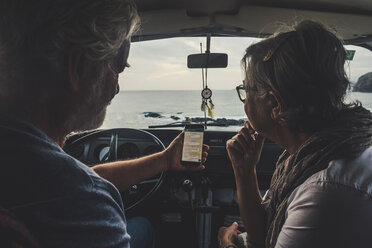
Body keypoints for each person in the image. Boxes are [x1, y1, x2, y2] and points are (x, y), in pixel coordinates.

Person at [0, 0, 208, 247]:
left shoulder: (24, 160)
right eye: (117, 68)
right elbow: (83, 185)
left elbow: (87, 176)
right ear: (79, 67)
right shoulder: (84, 205)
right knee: (143, 226)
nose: (117, 87)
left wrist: (164, 160)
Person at [218, 20, 372, 248]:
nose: (244, 99)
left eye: (246, 89)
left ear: (275, 105)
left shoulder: (324, 193)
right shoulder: (311, 153)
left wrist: (227, 245)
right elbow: (262, 236)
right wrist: (244, 170)